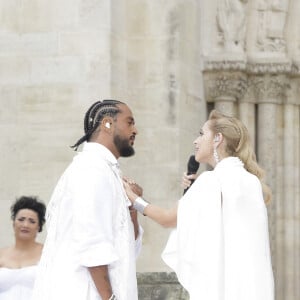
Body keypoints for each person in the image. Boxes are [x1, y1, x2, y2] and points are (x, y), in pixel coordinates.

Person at [124, 109, 274, 300]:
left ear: (218, 138)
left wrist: (134, 199)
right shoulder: (251, 182)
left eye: (202, 134)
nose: (196, 141)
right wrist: (192, 193)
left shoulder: (211, 181)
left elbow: (168, 219)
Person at [32, 100, 143, 300]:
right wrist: (110, 298)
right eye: (130, 122)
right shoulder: (91, 169)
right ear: (107, 124)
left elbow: (127, 250)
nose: (135, 130)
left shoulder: (107, 172)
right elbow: (92, 243)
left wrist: (133, 207)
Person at [0, 196, 46, 300]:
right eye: (21, 219)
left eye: (32, 221)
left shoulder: (48, 254)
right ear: (13, 223)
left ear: (39, 227)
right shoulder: (1, 254)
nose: (25, 225)